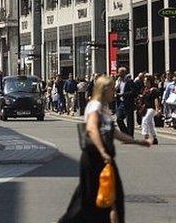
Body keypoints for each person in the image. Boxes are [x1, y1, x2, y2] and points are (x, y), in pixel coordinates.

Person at [59, 75, 150, 223]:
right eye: (112, 89)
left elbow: (113, 133)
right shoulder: (95, 106)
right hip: (95, 158)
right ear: (104, 90)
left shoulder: (103, 108)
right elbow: (92, 129)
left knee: (107, 198)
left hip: (103, 158)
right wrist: (102, 151)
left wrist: (137, 141)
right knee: (91, 199)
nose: (114, 92)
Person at [139, 75, 161, 145]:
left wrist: (157, 109)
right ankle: (155, 138)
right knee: (150, 123)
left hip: (152, 108)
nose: (144, 82)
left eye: (146, 81)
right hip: (146, 108)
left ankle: (146, 137)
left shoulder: (154, 90)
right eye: (144, 81)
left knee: (145, 120)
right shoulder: (144, 89)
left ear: (149, 81)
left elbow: (156, 99)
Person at [114, 69, 136, 136]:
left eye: (119, 73)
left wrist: (122, 94)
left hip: (128, 103)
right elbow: (118, 90)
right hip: (121, 103)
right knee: (119, 119)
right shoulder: (119, 81)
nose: (118, 74)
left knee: (129, 121)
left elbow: (133, 92)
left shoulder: (129, 81)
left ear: (124, 73)